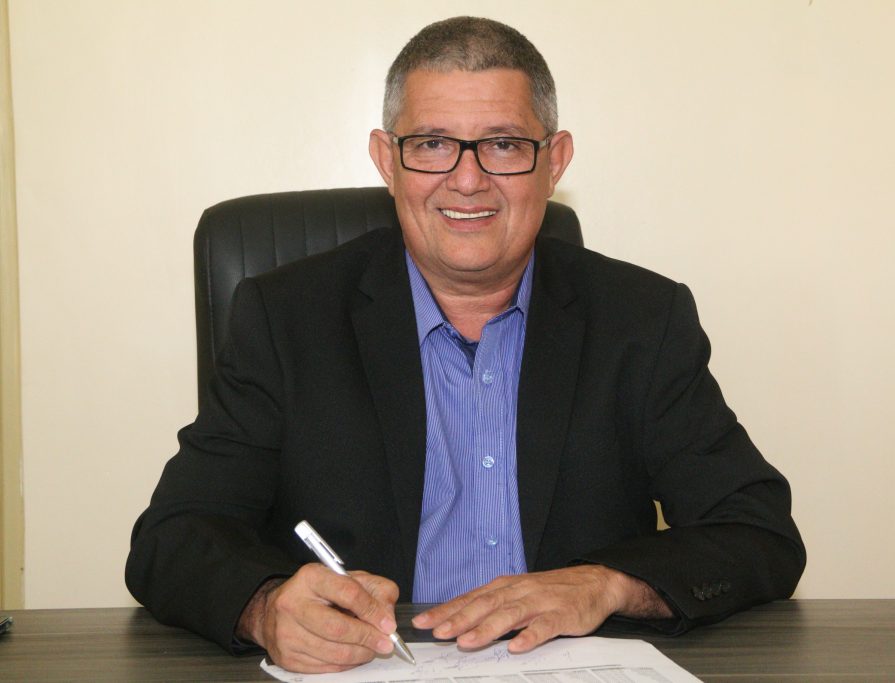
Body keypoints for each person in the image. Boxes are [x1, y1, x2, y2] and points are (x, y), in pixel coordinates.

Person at [126, 16, 805, 674]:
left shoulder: (642, 320)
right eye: (431, 143)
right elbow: (173, 537)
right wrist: (267, 608)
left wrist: (609, 584)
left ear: (554, 161)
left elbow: (760, 533)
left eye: (504, 144)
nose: (468, 178)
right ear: (387, 160)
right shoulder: (285, 319)